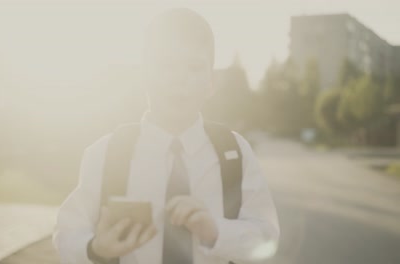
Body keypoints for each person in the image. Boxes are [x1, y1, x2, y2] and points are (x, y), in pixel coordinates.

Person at [53, 8, 279, 264]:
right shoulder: (105, 153)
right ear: (144, 76)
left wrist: (216, 231)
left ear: (210, 83)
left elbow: (267, 239)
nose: (179, 78)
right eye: (166, 65)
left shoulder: (234, 152)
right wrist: (95, 248)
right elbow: (66, 235)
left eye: (194, 67)